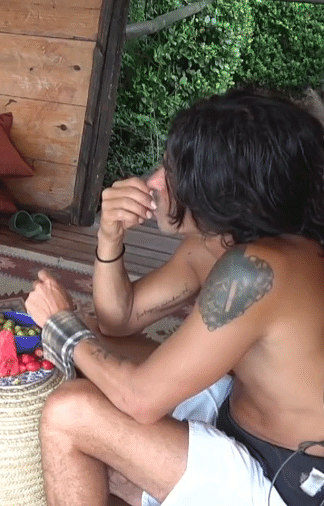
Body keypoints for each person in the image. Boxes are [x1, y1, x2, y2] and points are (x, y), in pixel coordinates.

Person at [24, 90, 324, 506]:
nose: (154, 181)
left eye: (175, 171)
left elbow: (140, 401)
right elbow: (119, 320)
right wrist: (109, 235)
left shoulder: (259, 269)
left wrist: (61, 327)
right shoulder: (222, 244)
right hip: (236, 419)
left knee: (70, 412)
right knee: (98, 340)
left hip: (291, 481)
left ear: (222, 191)